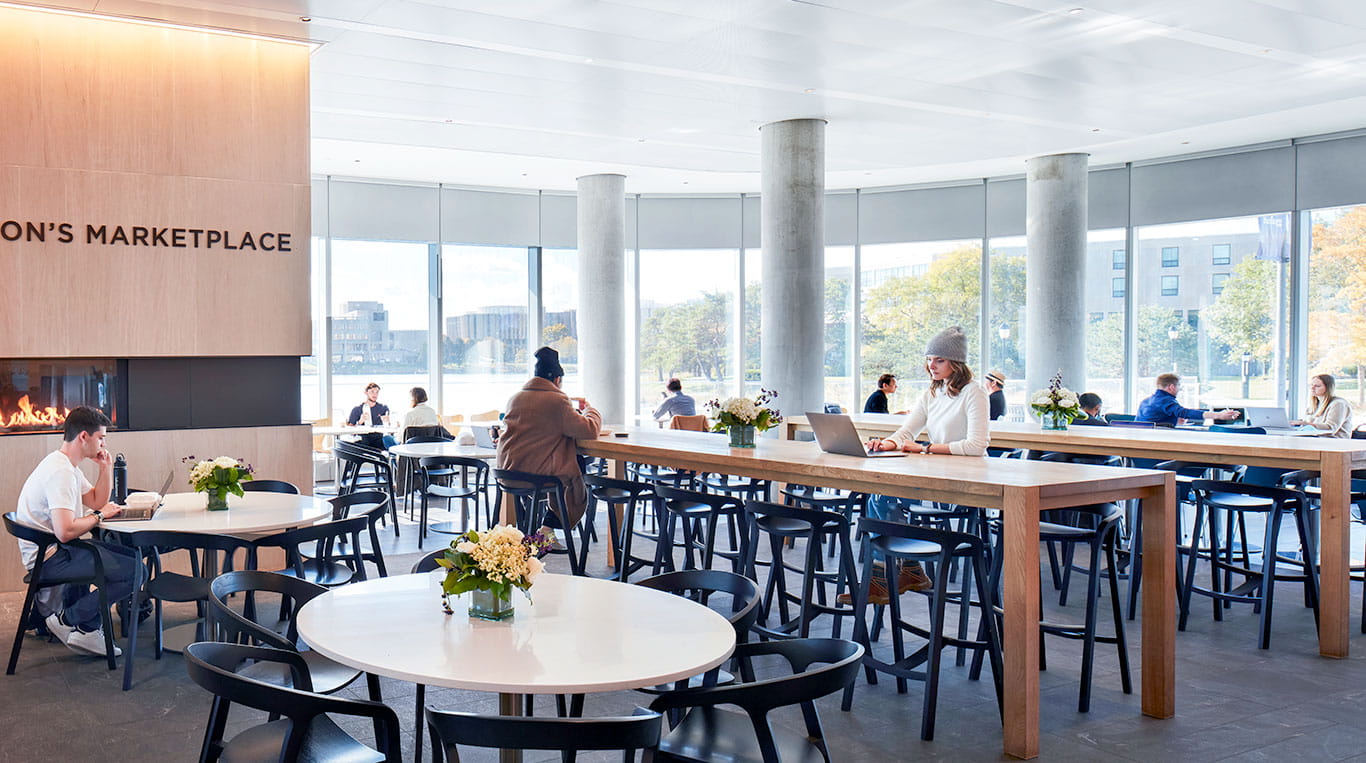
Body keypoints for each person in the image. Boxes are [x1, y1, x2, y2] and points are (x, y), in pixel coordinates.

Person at [841, 326, 990, 606]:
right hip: (935, 472)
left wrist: (925, 448)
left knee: (882, 497)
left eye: (939, 360)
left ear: (957, 362)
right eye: (929, 359)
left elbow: (976, 446)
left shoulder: (974, 392)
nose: (931, 365)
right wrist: (885, 443)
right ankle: (904, 570)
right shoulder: (932, 392)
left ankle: (893, 574)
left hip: (966, 478)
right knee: (878, 494)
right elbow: (906, 432)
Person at [15, 406, 141, 657]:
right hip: (51, 558)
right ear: (84, 436)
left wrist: (105, 468)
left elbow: (96, 500)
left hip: (60, 550)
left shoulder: (65, 465)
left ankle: (86, 627)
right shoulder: (60, 473)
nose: (104, 444)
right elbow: (65, 531)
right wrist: (99, 516)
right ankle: (70, 620)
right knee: (137, 571)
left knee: (130, 559)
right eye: (101, 437)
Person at [497, 346, 602, 547]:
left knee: (567, 461)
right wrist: (590, 409)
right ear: (557, 379)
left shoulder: (515, 398)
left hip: (506, 473)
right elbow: (589, 430)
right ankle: (547, 528)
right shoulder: (557, 400)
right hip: (534, 477)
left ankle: (539, 530)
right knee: (576, 464)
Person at [1135, 373, 1239, 426]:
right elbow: (1184, 412)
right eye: (1178, 386)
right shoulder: (1165, 400)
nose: (1179, 390)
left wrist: (1173, 420)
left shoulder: (1146, 401)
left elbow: (1154, 419)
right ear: (1172, 387)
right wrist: (1218, 415)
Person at [1291, 373, 1353, 438]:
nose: (1312, 388)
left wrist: (1306, 424)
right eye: (1311, 385)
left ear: (1328, 388)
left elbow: (1331, 428)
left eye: (1317, 386)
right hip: (1315, 440)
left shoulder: (1338, 404)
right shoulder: (1314, 405)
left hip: (1334, 441)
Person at [347, 382, 391, 449]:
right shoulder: (357, 409)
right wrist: (360, 422)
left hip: (378, 440)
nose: (375, 394)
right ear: (366, 393)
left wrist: (388, 422)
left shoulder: (383, 408)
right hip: (363, 440)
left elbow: (389, 426)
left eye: (377, 392)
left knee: (388, 441)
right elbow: (350, 431)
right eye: (372, 392)